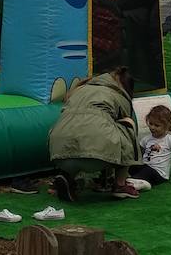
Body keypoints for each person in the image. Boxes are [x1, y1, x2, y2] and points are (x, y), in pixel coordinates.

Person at [47, 66, 141, 200]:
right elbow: (119, 128)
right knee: (127, 125)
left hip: (59, 154)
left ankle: (67, 176)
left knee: (76, 128)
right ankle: (120, 185)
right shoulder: (119, 95)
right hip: (95, 157)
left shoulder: (79, 90)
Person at [129, 104, 171, 189]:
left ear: (167, 126)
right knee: (131, 167)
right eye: (150, 123)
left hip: (159, 174)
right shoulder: (146, 139)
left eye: (157, 125)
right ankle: (134, 180)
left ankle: (141, 184)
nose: (152, 127)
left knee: (147, 171)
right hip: (146, 167)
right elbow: (139, 155)